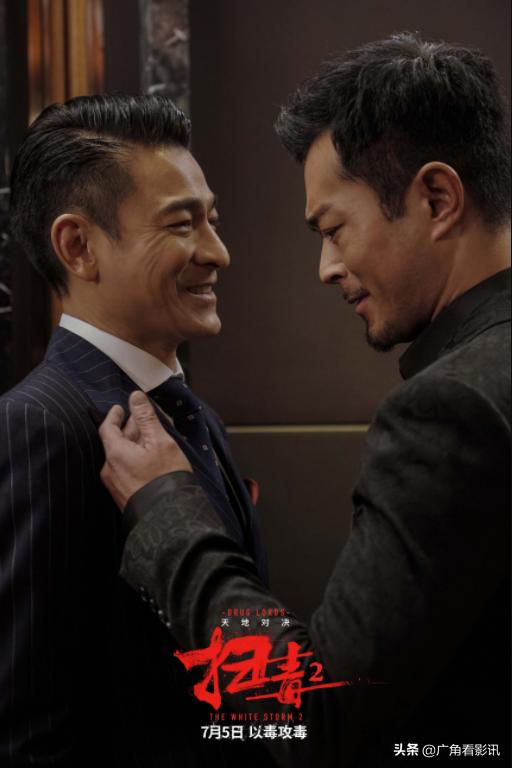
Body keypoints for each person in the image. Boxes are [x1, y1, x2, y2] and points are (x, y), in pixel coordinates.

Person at [98, 34, 511, 767]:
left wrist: (166, 512)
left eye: (334, 229)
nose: (326, 267)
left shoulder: (451, 406)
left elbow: (316, 723)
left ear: (437, 199)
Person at [0, 93, 273, 767]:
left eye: (212, 220)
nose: (218, 252)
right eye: (182, 224)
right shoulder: (40, 425)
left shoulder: (193, 415)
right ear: (78, 246)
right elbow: (25, 724)